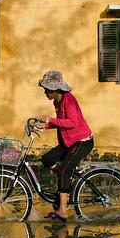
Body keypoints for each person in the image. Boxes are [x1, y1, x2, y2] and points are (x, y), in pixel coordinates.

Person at [38, 70, 94, 222]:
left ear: (55, 89)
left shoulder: (68, 99)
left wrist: (50, 119)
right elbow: (61, 123)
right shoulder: (58, 101)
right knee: (47, 159)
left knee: (63, 171)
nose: (45, 93)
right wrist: (44, 126)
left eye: (46, 90)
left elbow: (73, 122)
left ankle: (63, 210)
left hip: (82, 141)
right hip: (68, 141)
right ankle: (67, 180)